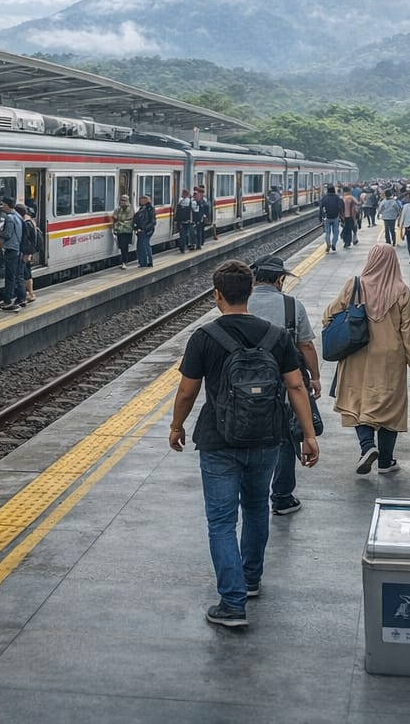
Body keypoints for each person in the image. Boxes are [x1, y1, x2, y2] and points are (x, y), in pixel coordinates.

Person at [169, 260, 319, 627]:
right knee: (255, 509)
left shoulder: (204, 337)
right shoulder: (275, 336)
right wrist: (308, 434)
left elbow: (188, 391)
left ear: (217, 294)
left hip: (218, 440)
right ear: (249, 292)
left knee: (221, 521)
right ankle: (250, 580)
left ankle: (232, 603)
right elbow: (296, 386)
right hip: (267, 437)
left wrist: (176, 425)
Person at [325, 244, 410, 475]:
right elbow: (408, 331)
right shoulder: (401, 291)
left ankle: (367, 447)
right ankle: (386, 461)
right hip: (390, 357)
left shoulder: (354, 285)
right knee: (390, 405)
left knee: (359, 401)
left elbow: (328, 315)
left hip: (357, 352)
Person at [247, 256, 322, 516]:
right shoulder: (292, 306)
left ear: (255, 279)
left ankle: (248, 495)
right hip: (283, 384)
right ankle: (281, 498)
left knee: (245, 436)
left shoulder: (240, 303)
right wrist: (314, 377)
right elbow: (306, 346)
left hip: (242, 384)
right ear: (280, 280)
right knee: (284, 437)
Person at [0, 197, 24, 311]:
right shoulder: (18, 216)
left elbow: (7, 234)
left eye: (2, 204)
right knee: (16, 275)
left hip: (11, 249)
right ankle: (20, 298)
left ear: (7, 205)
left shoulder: (9, 218)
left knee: (9, 277)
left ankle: (8, 301)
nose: (1, 206)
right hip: (17, 249)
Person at [19, 204, 40, 301]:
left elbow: (29, 240)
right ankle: (29, 293)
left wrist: (27, 254)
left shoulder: (27, 224)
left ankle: (30, 293)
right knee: (27, 272)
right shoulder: (31, 221)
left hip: (26, 252)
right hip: (28, 252)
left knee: (26, 272)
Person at [133, 193, 157, 267]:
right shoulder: (141, 209)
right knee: (140, 246)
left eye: (144, 200)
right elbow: (136, 219)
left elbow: (153, 222)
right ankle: (142, 262)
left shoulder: (150, 209)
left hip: (147, 231)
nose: (142, 201)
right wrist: (136, 228)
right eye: (141, 200)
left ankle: (148, 262)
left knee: (145, 245)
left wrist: (144, 229)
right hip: (140, 231)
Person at [111, 194, 135, 268]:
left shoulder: (130, 209)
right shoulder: (118, 209)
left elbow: (128, 219)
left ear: (128, 201)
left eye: (124, 200)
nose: (122, 202)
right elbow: (115, 217)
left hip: (126, 231)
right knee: (121, 246)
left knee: (124, 247)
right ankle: (123, 262)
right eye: (121, 200)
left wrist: (118, 222)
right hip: (119, 231)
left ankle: (125, 262)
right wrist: (116, 227)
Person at [318, 184, 342, 252]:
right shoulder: (337, 198)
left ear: (327, 190)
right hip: (335, 217)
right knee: (336, 232)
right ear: (334, 190)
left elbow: (320, 209)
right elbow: (340, 207)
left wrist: (320, 217)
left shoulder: (324, 198)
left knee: (327, 232)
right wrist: (341, 216)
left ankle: (328, 245)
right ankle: (334, 244)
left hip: (327, 217)